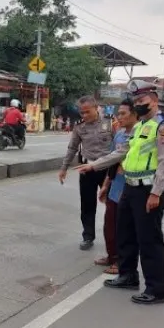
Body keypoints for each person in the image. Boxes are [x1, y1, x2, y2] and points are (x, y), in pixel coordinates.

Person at [82, 80, 164, 305]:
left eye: (142, 101)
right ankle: (128, 275)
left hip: (148, 190)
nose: (139, 105)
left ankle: (156, 290)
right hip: (130, 187)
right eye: (136, 101)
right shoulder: (140, 126)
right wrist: (94, 165)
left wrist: (156, 193)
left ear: (154, 100)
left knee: (149, 240)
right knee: (125, 234)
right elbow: (121, 152)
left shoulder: (163, 126)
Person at [84, 99, 138, 274]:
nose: (119, 117)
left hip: (131, 187)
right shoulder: (120, 135)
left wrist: (93, 165)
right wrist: (106, 185)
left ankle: (122, 262)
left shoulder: (140, 135)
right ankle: (112, 256)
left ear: (135, 114)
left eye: (123, 113)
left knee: (124, 227)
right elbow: (113, 162)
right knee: (110, 225)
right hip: (116, 185)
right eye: (118, 113)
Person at [58, 95, 115, 251]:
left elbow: (120, 146)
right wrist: (64, 168)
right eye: (81, 112)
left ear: (96, 108)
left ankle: (113, 238)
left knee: (112, 205)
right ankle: (88, 236)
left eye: (87, 112)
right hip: (87, 168)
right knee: (87, 204)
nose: (84, 116)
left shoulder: (110, 122)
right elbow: (72, 148)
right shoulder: (79, 126)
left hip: (107, 170)